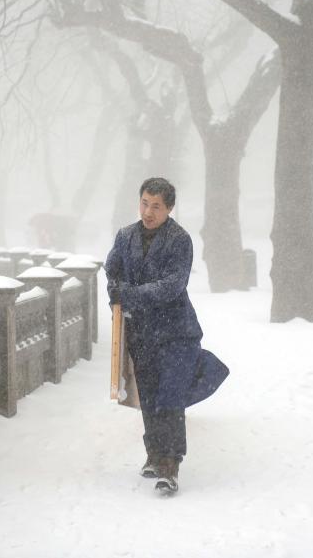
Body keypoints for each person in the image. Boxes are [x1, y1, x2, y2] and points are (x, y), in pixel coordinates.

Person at [105, 177, 228, 495]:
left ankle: (170, 466)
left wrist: (128, 295)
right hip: (141, 333)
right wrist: (114, 293)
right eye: (145, 203)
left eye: (156, 206)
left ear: (169, 208)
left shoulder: (180, 240)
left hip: (176, 333)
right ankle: (153, 455)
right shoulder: (125, 236)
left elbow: (172, 285)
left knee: (170, 396)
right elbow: (112, 269)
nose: (148, 211)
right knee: (148, 396)